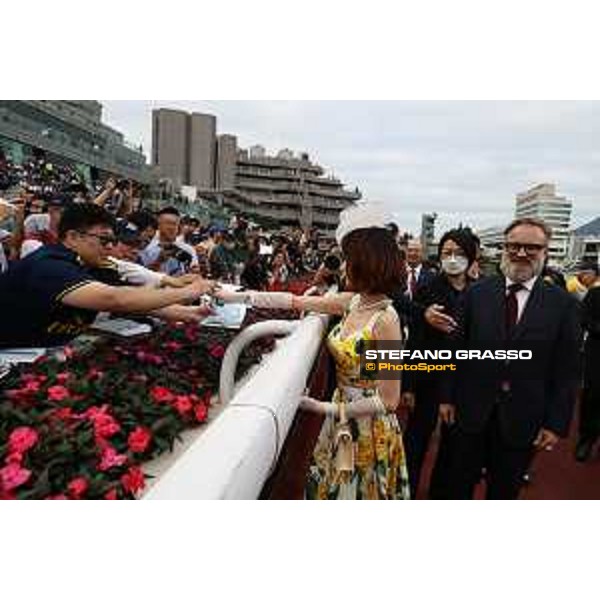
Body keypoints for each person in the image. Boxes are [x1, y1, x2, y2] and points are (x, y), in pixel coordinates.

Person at [216, 205, 411, 500]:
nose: (342, 267)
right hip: (340, 417)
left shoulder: (386, 320)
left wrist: (326, 409)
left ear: (365, 262)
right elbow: (293, 301)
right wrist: (239, 295)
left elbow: (389, 399)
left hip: (368, 430)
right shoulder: (352, 302)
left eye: (348, 259)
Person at [438, 217, 581, 499]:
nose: (522, 253)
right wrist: (446, 397)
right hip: (469, 412)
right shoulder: (475, 294)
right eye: (514, 245)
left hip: (523, 417)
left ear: (545, 252)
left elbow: (567, 369)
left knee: (504, 492)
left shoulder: (562, 304)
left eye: (531, 247)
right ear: (504, 248)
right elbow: (454, 349)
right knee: (456, 487)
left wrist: (555, 423)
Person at [0, 204, 216, 349]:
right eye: (104, 240)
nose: (111, 247)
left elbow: (137, 300)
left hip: (41, 354)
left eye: (112, 240)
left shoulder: (96, 265)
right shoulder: (49, 265)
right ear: (73, 236)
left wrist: (187, 313)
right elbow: (115, 299)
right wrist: (187, 291)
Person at [401, 227, 479, 498]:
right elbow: (415, 341)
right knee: (417, 438)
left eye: (459, 253)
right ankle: (406, 490)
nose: (453, 258)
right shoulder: (427, 288)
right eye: (447, 253)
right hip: (427, 373)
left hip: (461, 381)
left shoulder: (479, 292)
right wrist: (408, 385)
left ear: (470, 257)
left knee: (453, 443)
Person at [575, 263, 600, 461]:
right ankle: (586, 439)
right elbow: (584, 319)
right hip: (596, 353)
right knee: (592, 397)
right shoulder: (595, 294)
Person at [140, 206, 199, 275]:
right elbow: (140, 274)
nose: (171, 227)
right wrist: (159, 261)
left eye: (174, 224)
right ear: (159, 225)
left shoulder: (188, 250)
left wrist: (193, 271)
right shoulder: (146, 247)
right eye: (168, 223)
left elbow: (194, 273)